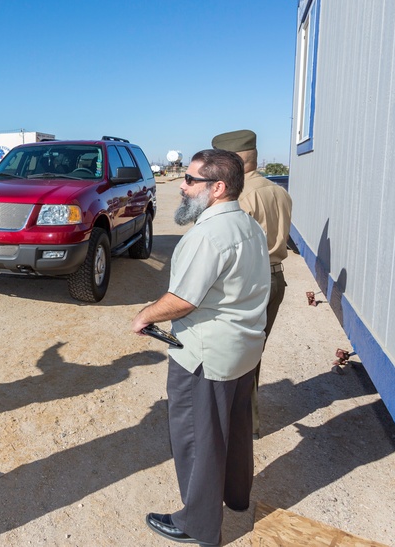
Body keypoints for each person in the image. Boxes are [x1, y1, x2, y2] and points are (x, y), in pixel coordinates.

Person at [130, 149, 270, 546]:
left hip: (206, 357)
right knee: (236, 428)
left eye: (191, 180)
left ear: (218, 187)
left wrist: (145, 315)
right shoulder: (248, 224)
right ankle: (237, 498)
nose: (182, 186)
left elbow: (183, 300)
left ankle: (199, 525)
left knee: (198, 438)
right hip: (243, 351)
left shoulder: (207, 235)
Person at [212, 129, 293, 438]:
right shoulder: (279, 192)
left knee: (234, 361)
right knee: (253, 354)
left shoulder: (241, 197)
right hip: (275, 281)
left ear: (234, 161)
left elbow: (227, 246)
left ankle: (240, 427)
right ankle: (248, 424)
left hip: (248, 283)